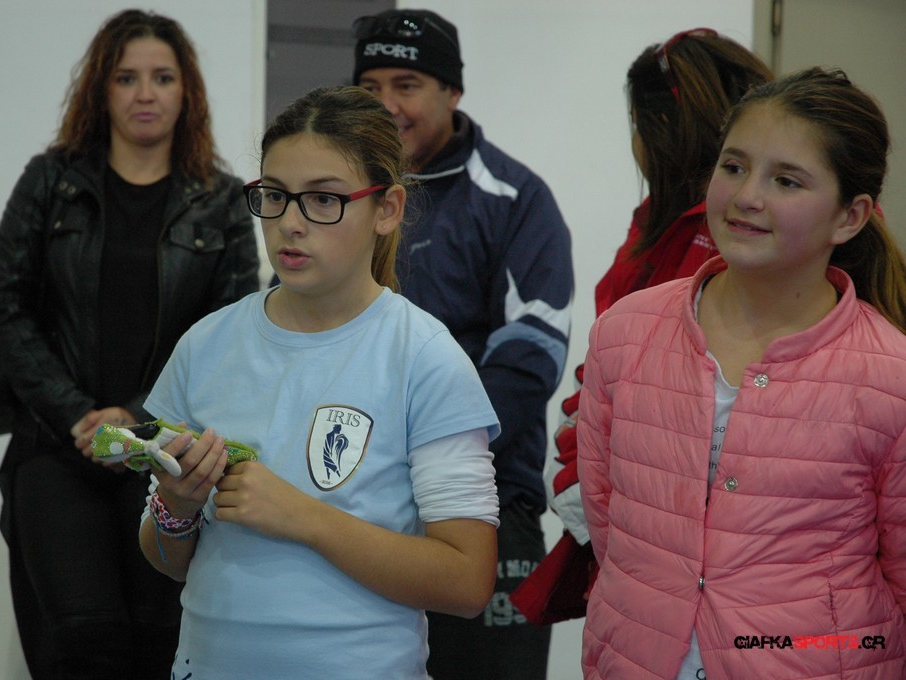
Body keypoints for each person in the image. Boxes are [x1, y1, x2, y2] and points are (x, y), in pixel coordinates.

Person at [137, 85, 501, 680]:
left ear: (387, 209)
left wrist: (302, 517)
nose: (290, 223)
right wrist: (176, 508)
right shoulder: (205, 346)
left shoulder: (424, 357)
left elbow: (467, 581)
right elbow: (166, 558)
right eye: (274, 195)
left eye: (323, 199)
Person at [578, 67, 906, 678]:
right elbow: (609, 520)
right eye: (733, 166)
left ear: (850, 217)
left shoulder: (890, 376)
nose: (747, 196)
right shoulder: (626, 333)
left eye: (786, 180)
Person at [0, 9, 260, 678]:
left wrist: (135, 419)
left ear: (186, 92)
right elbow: (2, 309)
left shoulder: (220, 200)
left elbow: (228, 333)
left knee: (161, 646)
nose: (144, 94)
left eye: (162, 77)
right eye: (126, 78)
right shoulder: (52, 182)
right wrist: (78, 414)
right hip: (56, 449)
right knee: (82, 643)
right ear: (100, 90)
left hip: (167, 456)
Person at [517, 28, 773, 625]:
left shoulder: (731, 243)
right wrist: (581, 470)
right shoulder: (659, 223)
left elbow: (683, 397)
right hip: (644, 541)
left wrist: (588, 481)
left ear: (662, 129)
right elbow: (611, 362)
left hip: (708, 553)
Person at [351, 10, 574, 677]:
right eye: (369, 87)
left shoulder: (515, 198)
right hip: (352, 500)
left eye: (406, 85)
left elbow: (530, 359)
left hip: (488, 499)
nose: (385, 106)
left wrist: (418, 450)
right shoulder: (337, 200)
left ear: (452, 92)